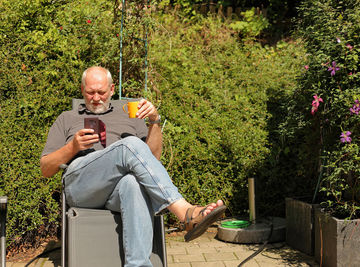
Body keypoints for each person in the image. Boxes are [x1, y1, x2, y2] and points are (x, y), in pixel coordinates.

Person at [40, 66, 226, 267]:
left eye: (101, 92)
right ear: (82, 89)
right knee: (129, 146)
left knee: (133, 183)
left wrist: (154, 120)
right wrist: (72, 147)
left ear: (112, 89)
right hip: (81, 186)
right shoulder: (67, 117)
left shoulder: (130, 115)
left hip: (117, 192)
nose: (96, 98)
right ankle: (184, 212)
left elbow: (151, 160)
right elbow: (46, 168)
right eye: (90, 92)